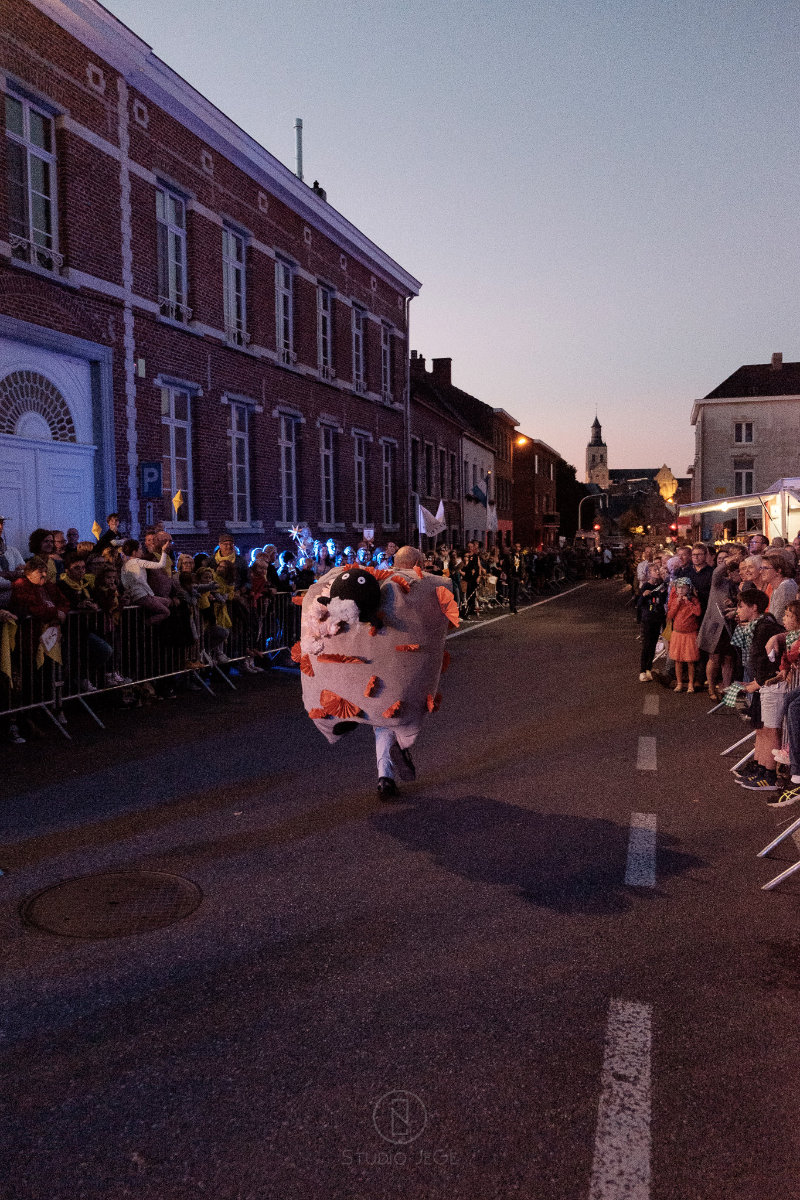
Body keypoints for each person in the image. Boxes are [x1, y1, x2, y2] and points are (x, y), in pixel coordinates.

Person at [735, 587, 783, 791]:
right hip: (761, 684)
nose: (737, 610)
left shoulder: (766, 628)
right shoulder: (757, 626)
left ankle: (769, 773)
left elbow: (768, 662)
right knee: (760, 727)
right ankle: (760, 765)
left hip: (771, 685)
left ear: (754, 608)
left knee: (769, 729)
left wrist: (758, 682)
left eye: (741, 606)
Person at [666, 578, 701, 692]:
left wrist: (688, 602)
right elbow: (670, 615)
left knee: (690, 661)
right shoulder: (674, 600)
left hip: (690, 634)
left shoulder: (693, 600)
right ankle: (679, 683)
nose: (681, 590)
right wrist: (677, 603)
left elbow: (697, 612)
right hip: (678, 633)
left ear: (688, 588)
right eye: (679, 588)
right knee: (678, 660)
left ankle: (691, 683)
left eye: (683, 588)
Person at [638, 563, 667, 680]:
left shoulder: (661, 585)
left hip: (657, 618)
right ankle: (642, 670)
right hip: (648, 619)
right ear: (649, 573)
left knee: (653, 644)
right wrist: (644, 596)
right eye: (654, 570)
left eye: (657, 569)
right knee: (647, 644)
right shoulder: (645, 586)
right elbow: (639, 604)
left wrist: (663, 592)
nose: (657, 571)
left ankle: (649, 668)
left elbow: (663, 600)